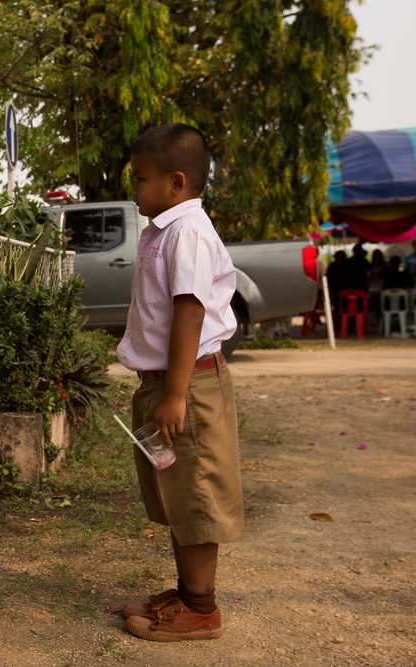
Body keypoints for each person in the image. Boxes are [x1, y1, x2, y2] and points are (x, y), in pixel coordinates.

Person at [115, 123, 242, 642]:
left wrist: (173, 394)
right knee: (175, 494)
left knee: (195, 497)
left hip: (186, 387)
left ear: (177, 181)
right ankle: (188, 591)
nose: (135, 189)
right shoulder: (164, 229)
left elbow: (189, 313)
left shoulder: (188, 231)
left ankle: (202, 610)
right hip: (164, 383)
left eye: (141, 179)